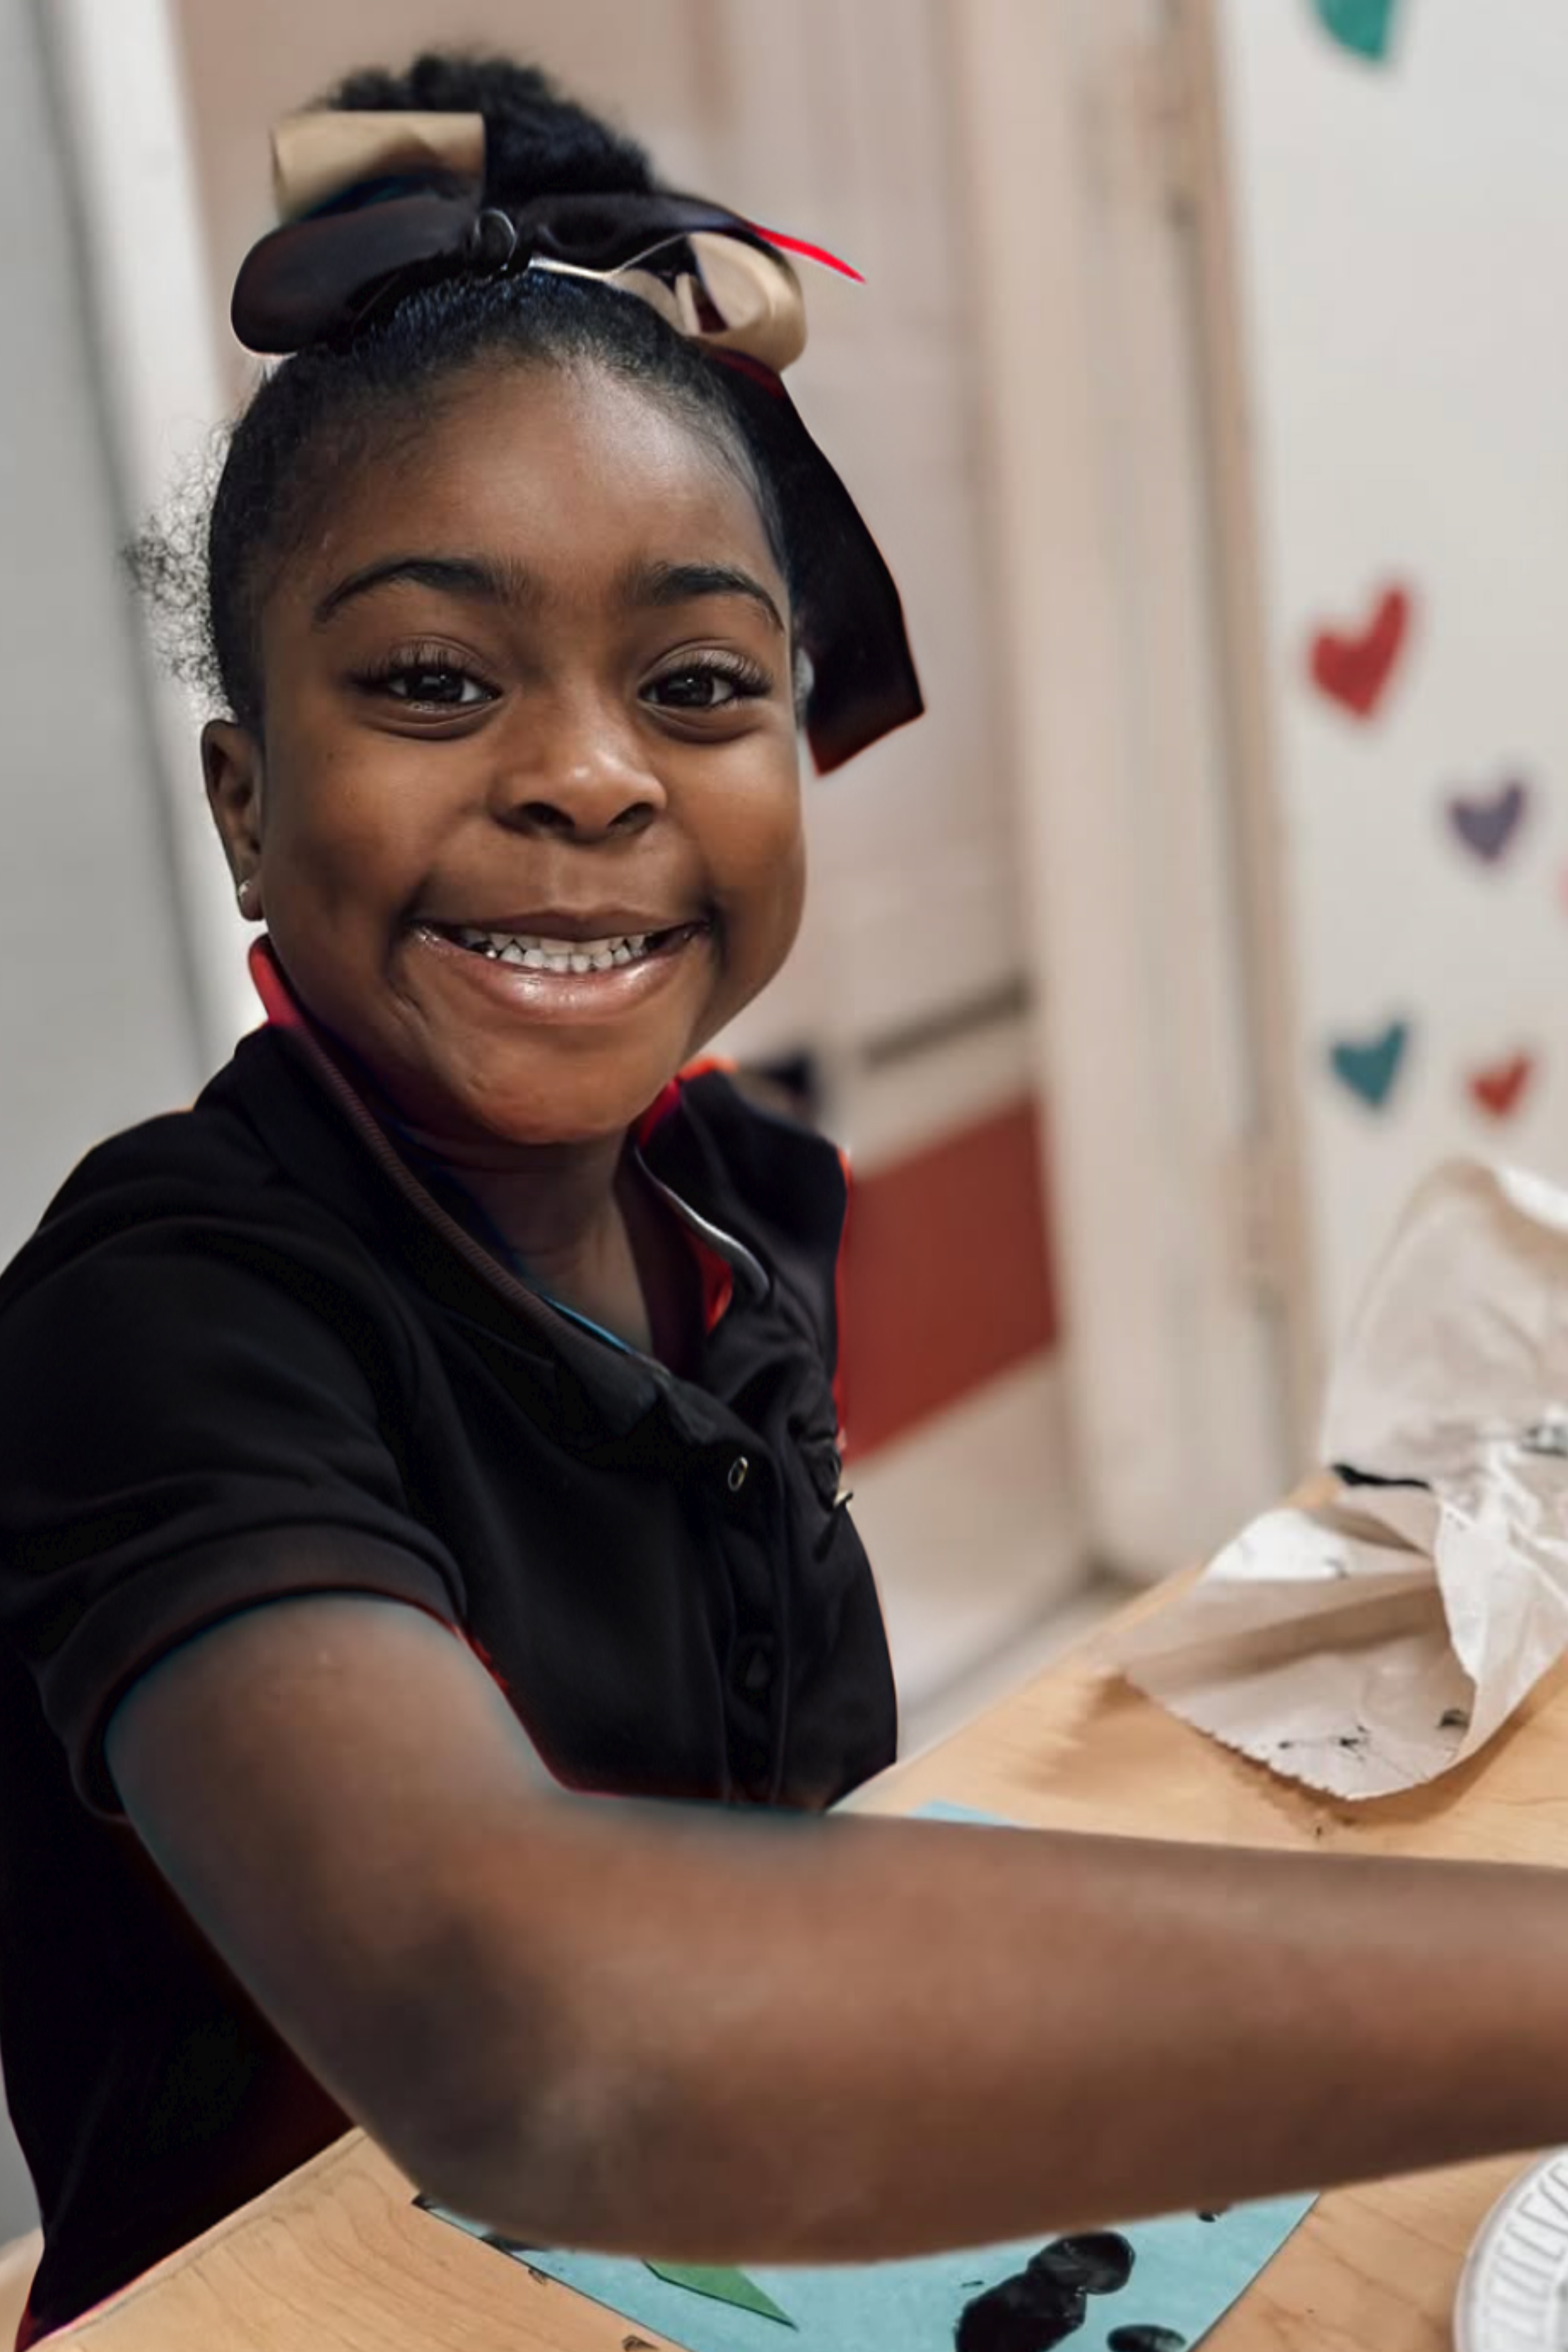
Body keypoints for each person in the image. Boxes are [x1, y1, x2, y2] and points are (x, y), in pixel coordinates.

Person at [2, 45, 1567, 2347]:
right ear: (246, 805)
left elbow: (787, 1865)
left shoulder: (733, 1216)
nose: (584, 773)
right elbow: (529, 2025)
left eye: (697, 681)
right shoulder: (159, 1324)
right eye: (435, 679)